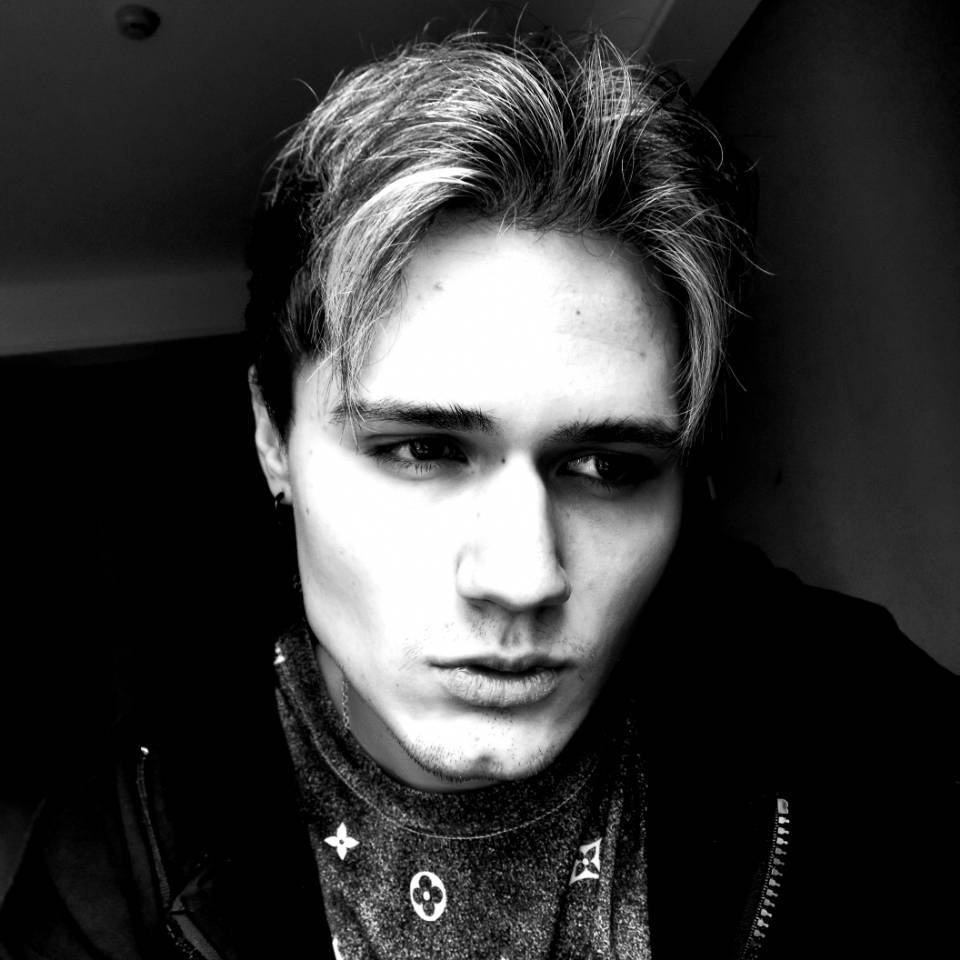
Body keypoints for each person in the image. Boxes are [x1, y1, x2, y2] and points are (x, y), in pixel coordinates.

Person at [1, 28, 956, 960]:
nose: (523, 578)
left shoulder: (842, 711)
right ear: (271, 437)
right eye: (422, 449)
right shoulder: (119, 856)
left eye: (607, 466)